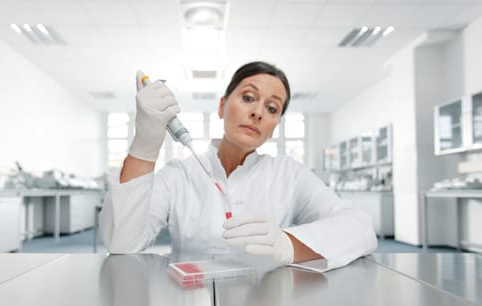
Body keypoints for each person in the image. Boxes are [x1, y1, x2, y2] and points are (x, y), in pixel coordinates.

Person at [100, 61, 376, 272]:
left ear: (275, 126)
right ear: (222, 106)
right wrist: (144, 145)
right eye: (247, 98)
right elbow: (121, 244)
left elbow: (360, 227)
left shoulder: (289, 174)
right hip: (189, 302)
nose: (257, 112)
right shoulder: (180, 174)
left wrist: (288, 244)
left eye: (272, 108)